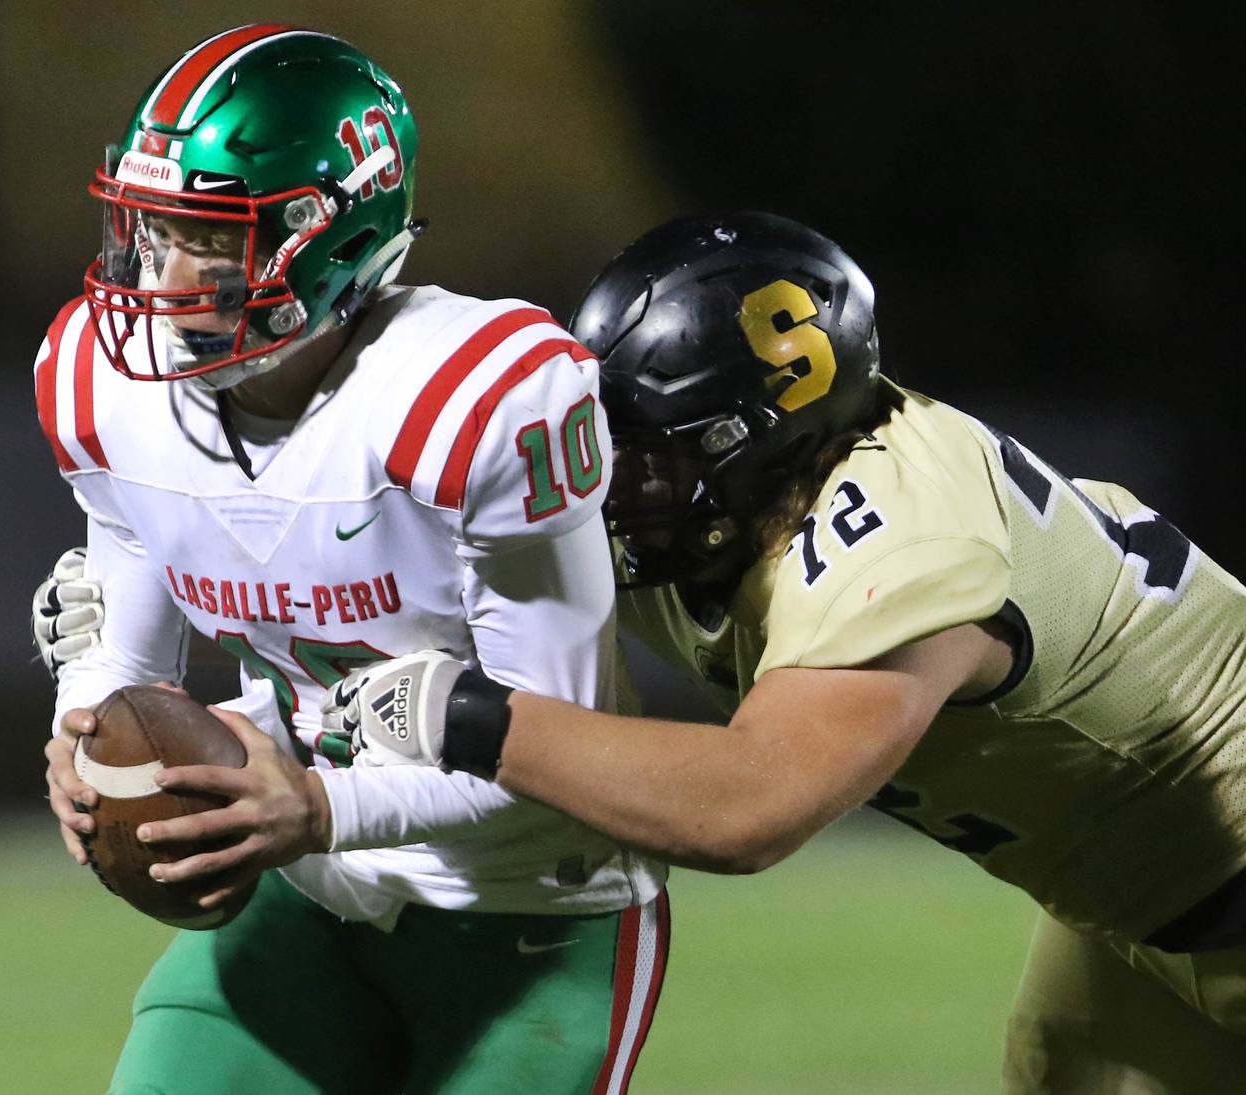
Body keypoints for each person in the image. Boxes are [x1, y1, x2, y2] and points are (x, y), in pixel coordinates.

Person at [314, 211, 1246, 1093]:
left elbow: (746, 806)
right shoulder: (743, 506)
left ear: (756, 446)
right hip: (1137, 897)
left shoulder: (901, 537)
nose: (610, 486)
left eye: (648, 458)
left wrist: (467, 717)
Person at [32, 24, 667, 1095]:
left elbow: (563, 751)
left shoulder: (478, 401)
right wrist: (92, 734)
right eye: (150, 230)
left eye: (212, 239)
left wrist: (318, 806)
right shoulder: (100, 379)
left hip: (528, 909)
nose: (162, 277)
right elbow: (128, 557)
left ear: (327, 236)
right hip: (306, 887)